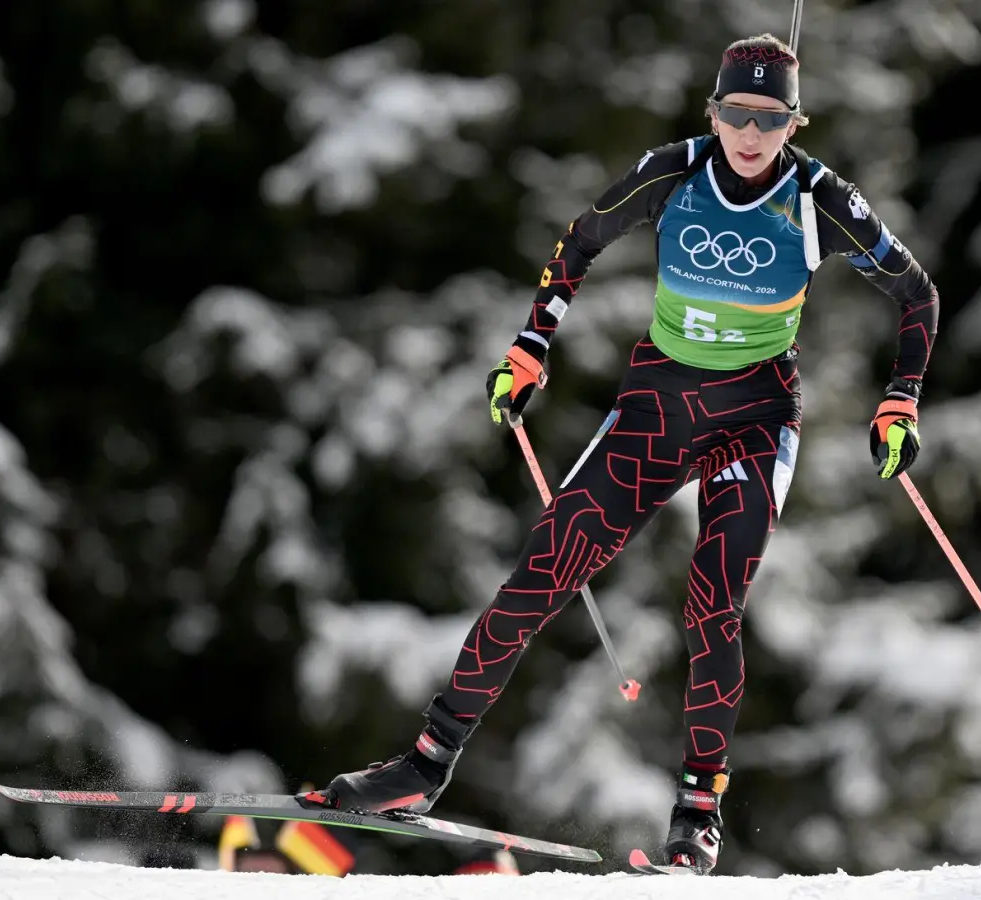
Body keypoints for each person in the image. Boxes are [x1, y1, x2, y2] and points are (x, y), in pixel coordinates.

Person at [309, 32, 940, 875]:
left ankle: (697, 815)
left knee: (713, 607)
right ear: (713, 112)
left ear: (795, 123)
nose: (751, 134)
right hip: (656, 409)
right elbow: (577, 243)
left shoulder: (819, 198)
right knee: (541, 573)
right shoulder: (671, 171)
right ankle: (423, 766)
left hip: (753, 420)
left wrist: (899, 399)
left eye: (771, 118)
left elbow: (917, 295)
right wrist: (532, 346)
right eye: (737, 114)